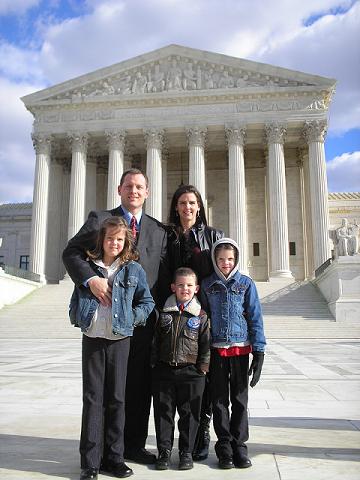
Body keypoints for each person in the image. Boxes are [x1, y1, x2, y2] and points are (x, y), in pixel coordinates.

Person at [63, 168, 170, 466]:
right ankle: (98, 456)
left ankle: (131, 446)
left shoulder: (158, 230)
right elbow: (71, 252)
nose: (134, 191)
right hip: (106, 318)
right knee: (101, 391)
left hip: (141, 322)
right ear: (119, 189)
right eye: (129, 186)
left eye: (139, 187)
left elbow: (160, 280)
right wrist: (89, 280)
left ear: (147, 192)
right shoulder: (100, 219)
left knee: (136, 389)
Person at [69, 217, 155, 480]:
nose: (114, 243)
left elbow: (147, 301)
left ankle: (115, 458)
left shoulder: (133, 270)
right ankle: (91, 462)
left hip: (120, 339)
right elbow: (76, 299)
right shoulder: (88, 269)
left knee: (117, 399)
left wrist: (132, 318)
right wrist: (77, 317)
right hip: (93, 338)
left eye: (119, 239)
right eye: (109, 239)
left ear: (125, 241)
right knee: (93, 399)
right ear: (101, 241)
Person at [166, 184, 224, 460]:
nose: (187, 207)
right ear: (175, 207)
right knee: (176, 376)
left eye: (192, 203)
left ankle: (202, 429)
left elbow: (223, 272)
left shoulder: (213, 236)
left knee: (205, 374)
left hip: (204, 314)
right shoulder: (168, 235)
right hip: (173, 313)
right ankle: (175, 439)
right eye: (182, 203)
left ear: (199, 207)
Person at [201, 238, 266, 470]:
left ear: (236, 259)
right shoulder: (207, 284)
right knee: (219, 401)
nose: (226, 263)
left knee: (239, 400)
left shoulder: (246, 284)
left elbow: (255, 317)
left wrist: (259, 351)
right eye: (221, 259)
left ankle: (240, 446)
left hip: (240, 349)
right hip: (217, 349)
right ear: (215, 261)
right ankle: (224, 448)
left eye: (230, 259)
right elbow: (203, 320)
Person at [151, 267, 210, 471]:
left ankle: (186, 452)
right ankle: (164, 451)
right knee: (163, 413)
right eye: (181, 285)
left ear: (196, 289)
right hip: (165, 371)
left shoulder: (201, 315)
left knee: (189, 415)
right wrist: (154, 365)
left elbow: (205, 344)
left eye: (189, 285)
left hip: (191, 373)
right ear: (173, 287)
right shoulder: (163, 312)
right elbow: (155, 341)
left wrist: (202, 369)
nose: (185, 288)